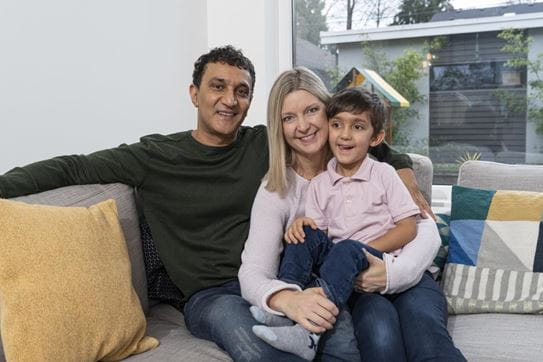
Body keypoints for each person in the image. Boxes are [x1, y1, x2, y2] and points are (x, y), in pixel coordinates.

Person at [0, 46, 434, 361]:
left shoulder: (265, 143)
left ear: (250, 103)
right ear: (194, 93)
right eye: (218, 87)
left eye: (242, 91)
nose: (229, 99)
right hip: (212, 294)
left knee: (340, 338)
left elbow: (358, 141)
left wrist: (404, 173)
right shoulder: (155, 156)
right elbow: (75, 167)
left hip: (277, 277)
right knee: (254, 341)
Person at [239, 67, 466, 361]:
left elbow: (422, 226)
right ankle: (295, 327)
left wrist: (395, 272)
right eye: (288, 118)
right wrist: (288, 300)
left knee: (426, 337)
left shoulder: (370, 161)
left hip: (405, 271)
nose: (304, 125)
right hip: (355, 284)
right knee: (380, 336)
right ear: (279, 126)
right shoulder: (281, 189)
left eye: (311, 111)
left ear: (328, 110)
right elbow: (260, 268)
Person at [250, 87, 420, 360]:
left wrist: (360, 249)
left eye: (357, 127)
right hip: (340, 260)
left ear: (376, 137)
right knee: (305, 231)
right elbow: (322, 236)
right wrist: (303, 225)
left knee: (348, 249)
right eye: (337, 125)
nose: (345, 134)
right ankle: (288, 307)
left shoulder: (384, 173)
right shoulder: (319, 184)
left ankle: (310, 334)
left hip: (375, 259)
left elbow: (409, 227)